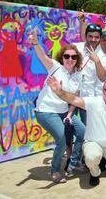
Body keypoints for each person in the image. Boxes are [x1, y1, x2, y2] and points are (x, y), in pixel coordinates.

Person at [27, 29, 85, 183]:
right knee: (61, 138)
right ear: (62, 57)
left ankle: (72, 164)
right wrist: (35, 42)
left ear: (77, 59)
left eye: (73, 56)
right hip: (46, 111)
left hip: (64, 112)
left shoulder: (78, 75)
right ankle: (54, 171)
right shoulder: (55, 67)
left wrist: (69, 115)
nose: (70, 59)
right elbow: (42, 56)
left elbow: (75, 98)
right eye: (67, 56)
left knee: (82, 131)